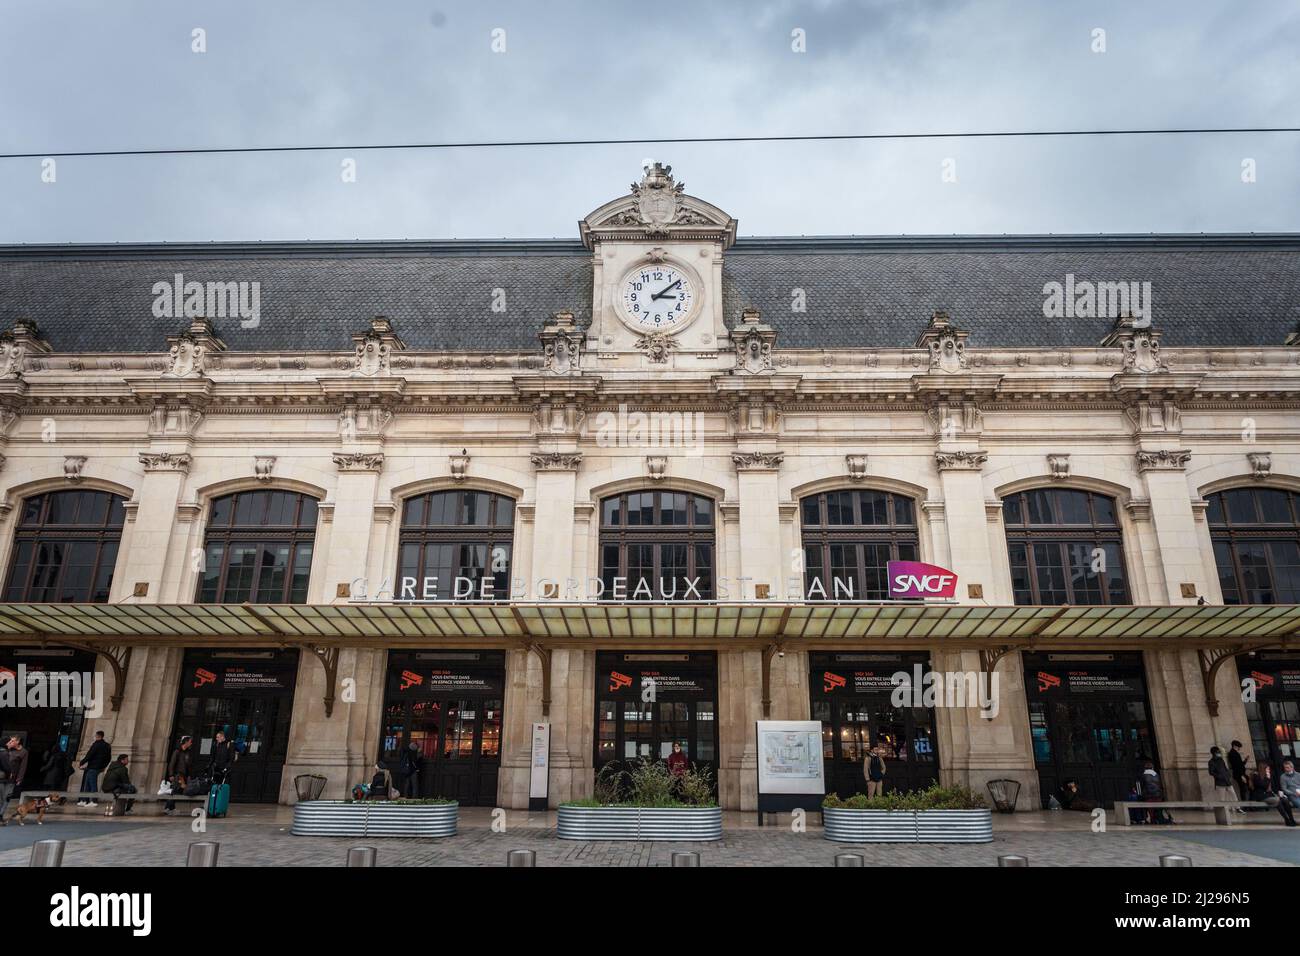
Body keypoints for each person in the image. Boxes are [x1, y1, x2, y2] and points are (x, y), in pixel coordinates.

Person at [77, 731, 111, 807]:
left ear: (98, 736)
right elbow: (109, 758)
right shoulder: (107, 745)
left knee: (92, 784)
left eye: (95, 736)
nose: (95, 737)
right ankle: (84, 800)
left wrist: (81, 762)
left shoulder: (96, 744)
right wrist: (104, 766)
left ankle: (93, 801)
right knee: (87, 783)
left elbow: (90, 754)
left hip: (93, 767)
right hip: (98, 767)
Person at [163, 736, 193, 815]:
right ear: (186, 742)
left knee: (177, 791)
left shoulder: (187, 752)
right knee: (175, 790)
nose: (191, 743)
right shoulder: (177, 751)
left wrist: (189, 774)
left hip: (184, 775)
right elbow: (172, 764)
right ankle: (169, 808)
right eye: (190, 741)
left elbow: (188, 765)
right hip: (177, 774)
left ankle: (170, 807)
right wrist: (171, 774)